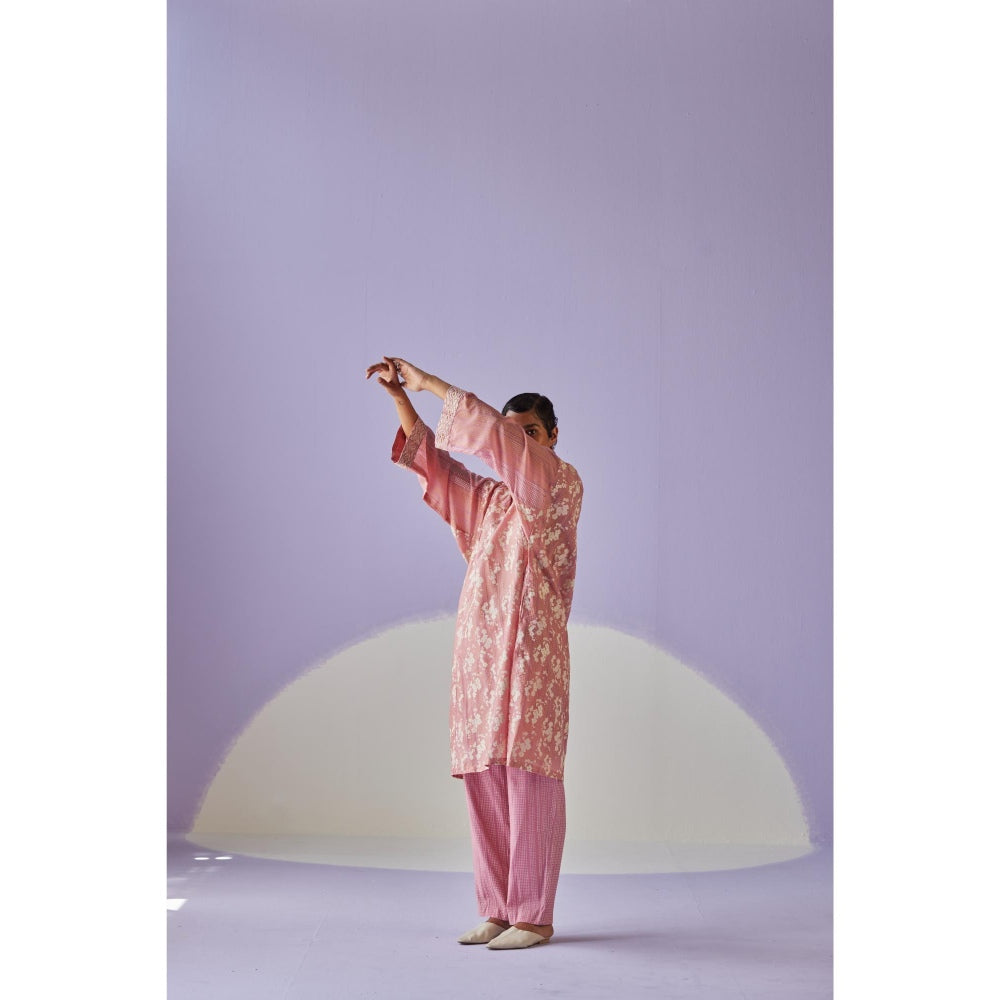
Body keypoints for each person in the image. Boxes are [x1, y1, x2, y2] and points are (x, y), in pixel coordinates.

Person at [365, 356, 583, 950]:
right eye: (512, 433)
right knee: (484, 775)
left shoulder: (561, 485)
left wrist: (432, 384)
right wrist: (402, 399)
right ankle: (498, 908)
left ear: (551, 437)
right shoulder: (488, 500)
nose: (518, 443)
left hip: (533, 654)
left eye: (529, 433)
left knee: (528, 775)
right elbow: (436, 470)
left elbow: (499, 443)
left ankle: (533, 915)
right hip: (481, 654)